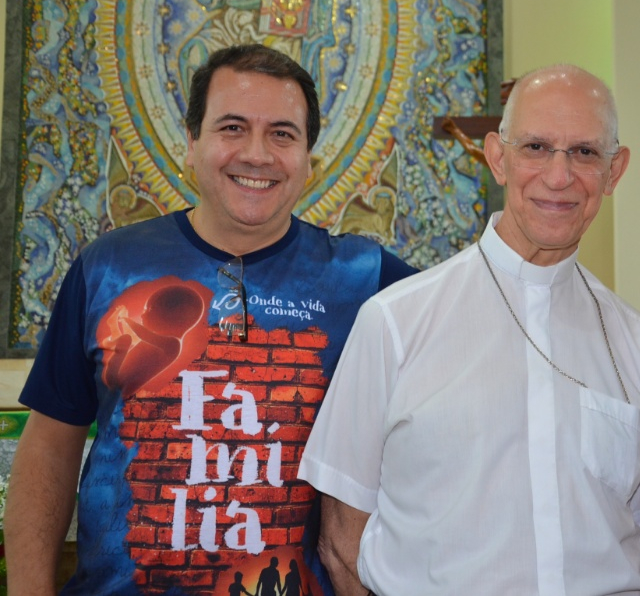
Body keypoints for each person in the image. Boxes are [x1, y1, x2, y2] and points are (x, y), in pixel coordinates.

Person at [4, 43, 417, 595]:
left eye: (282, 134)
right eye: (231, 127)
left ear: (309, 160)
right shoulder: (107, 269)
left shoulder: (369, 281)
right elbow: (51, 448)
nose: (257, 153)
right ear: (191, 145)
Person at [298, 64, 640, 595]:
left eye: (585, 152)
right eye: (536, 147)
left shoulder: (635, 344)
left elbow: (638, 533)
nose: (559, 176)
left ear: (615, 171)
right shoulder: (396, 322)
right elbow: (341, 542)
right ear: (498, 157)